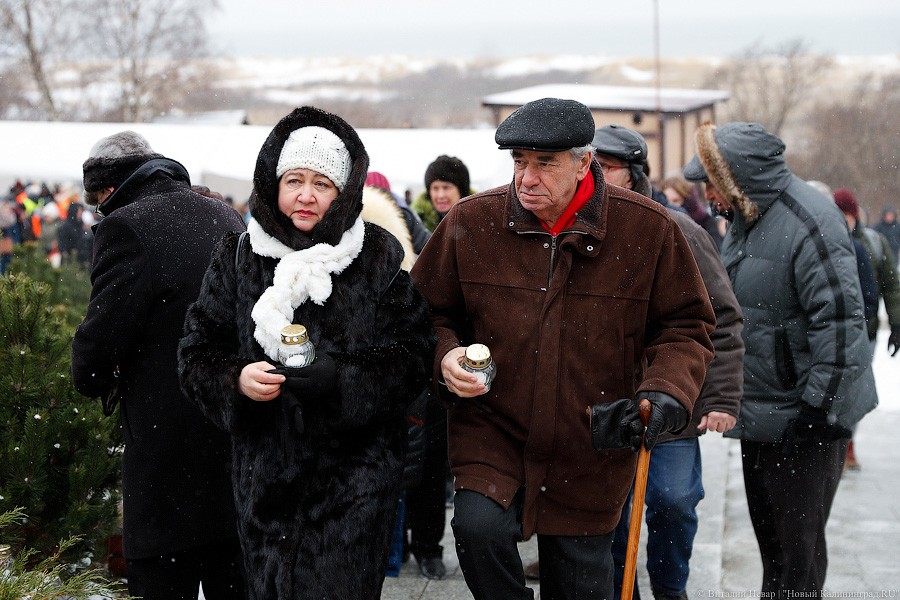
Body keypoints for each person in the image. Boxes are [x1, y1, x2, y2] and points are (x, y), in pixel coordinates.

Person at [410, 97, 716, 600]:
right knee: (476, 529)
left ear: (583, 162)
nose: (526, 178)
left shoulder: (648, 230)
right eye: (518, 162)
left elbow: (686, 325)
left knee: (579, 582)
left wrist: (664, 391)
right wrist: (445, 355)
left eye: (544, 164)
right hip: (493, 428)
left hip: (591, 440)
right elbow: (423, 314)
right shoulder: (471, 222)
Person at [177, 106, 434, 599]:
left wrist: (341, 379)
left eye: (322, 184)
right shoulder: (237, 257)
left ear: (343, 194)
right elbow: (195, 350)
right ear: (272, 183)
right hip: (263, 484)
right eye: (294, 179)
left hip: (354, 484)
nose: (306, 195)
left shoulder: (375, 258)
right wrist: (236, 379)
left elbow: (413, 354)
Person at [683, 122, 874, 598]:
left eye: (710, 182)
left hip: (805, 417)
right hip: (767, 412)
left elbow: (841, 323)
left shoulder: (810, 222)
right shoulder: (751, 219)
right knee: (776, 548)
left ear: (736, 178)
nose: (706, 194)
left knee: (798, 556)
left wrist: (818, 411)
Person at [70, 131, 247, 600]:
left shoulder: (126, 227)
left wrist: (95, 374)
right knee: (235, 577)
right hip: (232, 433)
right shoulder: (223, 214)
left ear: (107, 188)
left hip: (164, 446)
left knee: (165, 582)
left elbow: (98, 347)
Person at [590, 126, 746, 600]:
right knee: (609, 514)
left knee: (673, 501)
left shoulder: (680, 230)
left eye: (607, 167)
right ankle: (622, 591)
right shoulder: (580, 229)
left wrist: (718, 396)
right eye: (589, 165)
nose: (594, 175)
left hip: (671, 397)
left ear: (635, 175)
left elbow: (722, 317)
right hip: (605, 400)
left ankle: (670, 588)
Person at [406, 156, 472, 580]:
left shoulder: (474, 227)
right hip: (421, 361)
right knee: (423, 458)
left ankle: (437, 544)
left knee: (447, 461)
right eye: (436, 188)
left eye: (448, 187)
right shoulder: (412, 230)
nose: (441, 194)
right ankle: (420, 544)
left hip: (461, 356)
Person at [832, 187, 900, 470]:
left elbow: (891, 284)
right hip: (834, 330)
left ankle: (847, 442)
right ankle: (834, 443)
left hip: (865, 330)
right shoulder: (827, 240)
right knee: (834, 388)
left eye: (847, 215)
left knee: (855, 389)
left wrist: (896, 324)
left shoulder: (873, 241)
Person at [411, 154, 471, 231]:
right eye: (435, 188)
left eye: (446, 188)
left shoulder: (479, 218)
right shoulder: (415, 224)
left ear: (461, 191)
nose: (441, 195)